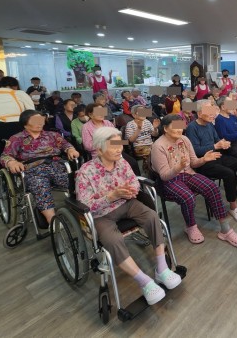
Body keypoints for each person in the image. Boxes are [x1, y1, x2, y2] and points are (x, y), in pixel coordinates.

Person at [76, 127, 182, 305]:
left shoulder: (122, 162)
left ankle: (162, 269)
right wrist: (110, 196)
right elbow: (85, 205)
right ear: (99, 149)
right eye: (113, 145)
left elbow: (134, 182)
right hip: (102, 214)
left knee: (152, 217)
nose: (119, 149)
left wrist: (131, 190)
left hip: (126, 203)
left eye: (120, 144)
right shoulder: (86, 172)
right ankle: (144, 281)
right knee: (113, 240)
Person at [150, 114, 237, 247]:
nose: (179, 130)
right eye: (175, 126)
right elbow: (164, 175)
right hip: (169, 181)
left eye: (180, 126)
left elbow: (194, 163)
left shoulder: (184, 139)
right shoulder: (158, 146)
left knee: (212, 187)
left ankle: (225, 229)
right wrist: (178, 167)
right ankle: (191, 226)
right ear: (165, 128)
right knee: (188, 197)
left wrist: (203, 159)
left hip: (187, 174)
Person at [0, 110, 79, 223]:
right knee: (40, 186)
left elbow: (65, 144)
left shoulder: (52, 135)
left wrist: (70, 149)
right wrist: (12, 162)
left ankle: (84, 211)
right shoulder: (16, 138)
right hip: (33, 171)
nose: (40, 123)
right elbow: (5, 156)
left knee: (78, 181)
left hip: (56, 167)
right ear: (25, 123)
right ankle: (52, 221)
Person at [185, 100, 237, 222]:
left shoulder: (209, 125)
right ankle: (233, 206)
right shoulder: (192, 128)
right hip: (203, 162)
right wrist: (216, 146)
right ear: (199, 113)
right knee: (229, 173)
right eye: (208, 111)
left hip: (217, 156)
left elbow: (217, 139)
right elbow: (196, 150)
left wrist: (223, 143)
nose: (212, 114)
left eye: (212, 110)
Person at [125, 105, 159, 174]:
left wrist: (155, 128)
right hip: (139, 146)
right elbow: (131, 140)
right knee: (154, 153)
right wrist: (138, 129)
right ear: (134, 115)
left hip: (150, 144)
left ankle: (155, 170)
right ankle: (149, 171)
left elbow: (154, 135)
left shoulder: (147, 122)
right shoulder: (130, 124)